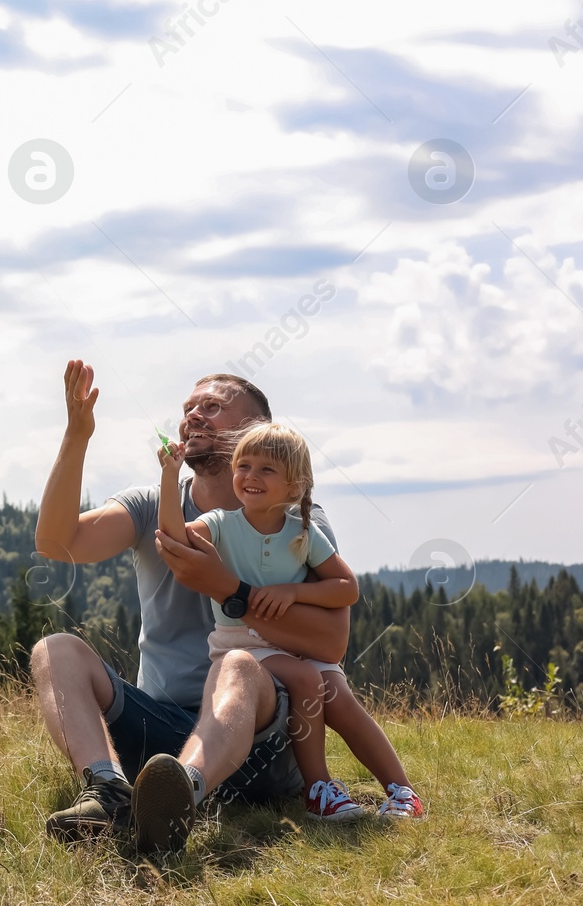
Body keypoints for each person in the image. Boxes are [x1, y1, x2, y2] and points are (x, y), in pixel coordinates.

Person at [31, 364, 353, 852]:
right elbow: (58, 542)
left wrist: (230, 590)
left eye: (212, 407)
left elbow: (332, 642)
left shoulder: (296, 520)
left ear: (257, 430)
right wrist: (77, 435)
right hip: (158, 729)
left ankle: (186, 790)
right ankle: (110, 792)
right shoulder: (150, 506)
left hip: (260, 747)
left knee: (240, 665)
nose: (193, 417)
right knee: (55, 650)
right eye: (188, 410)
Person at [156, 423, 424, 823]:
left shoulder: (303, 532)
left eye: (267, 469)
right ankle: (319, 790)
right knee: (306, 679)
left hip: (293, 645)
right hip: (242, 644)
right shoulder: (221, 524)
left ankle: (402, 791)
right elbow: (174, 538)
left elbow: (346, 587)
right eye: (243, 465)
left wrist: (293, 592)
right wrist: (168, 475)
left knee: (339, 695)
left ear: (295, 485)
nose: (250, 476)